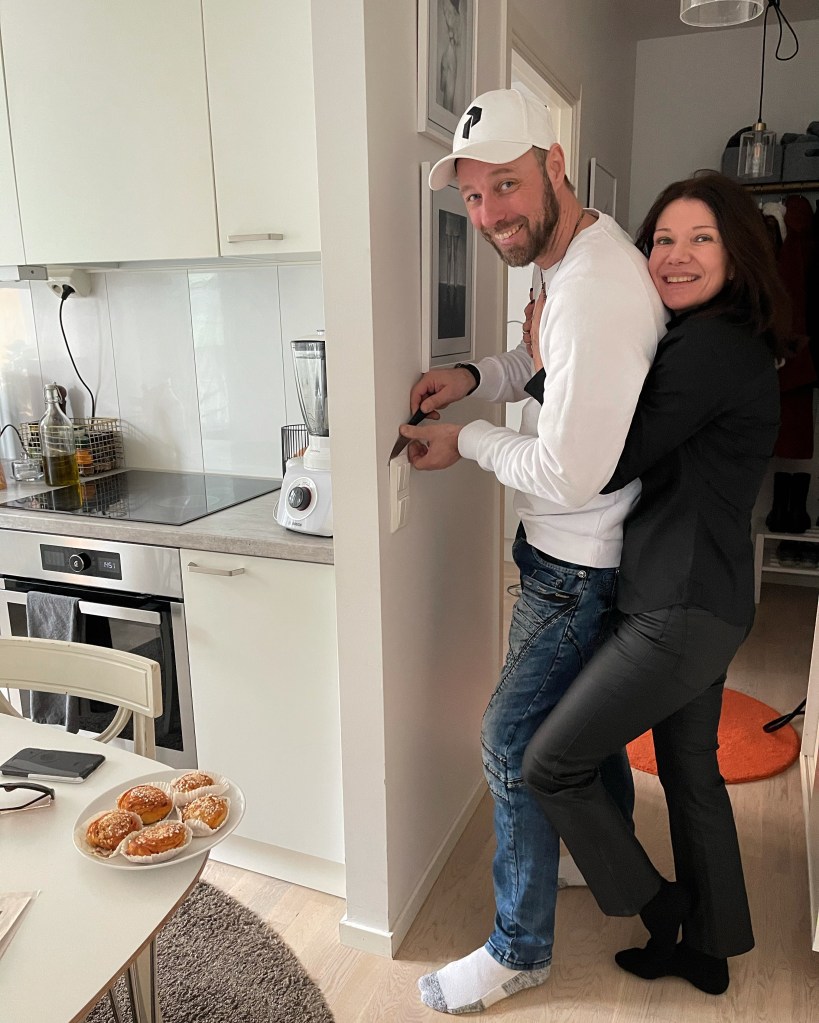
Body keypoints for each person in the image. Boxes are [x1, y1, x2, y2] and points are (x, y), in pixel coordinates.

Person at [401, 88, 667, 1015]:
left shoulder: (594, 288)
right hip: (576, 554)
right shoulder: (568, 261)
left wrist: (467, 438)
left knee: (509, 740)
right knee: (577, 731)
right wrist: (475, 375)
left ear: (554, 165)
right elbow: (540, 362)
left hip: (578, 559)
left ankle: (517, 949)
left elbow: (567, 472)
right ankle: (595, 855)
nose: (488, 215)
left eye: (505, 187)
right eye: (474, 196)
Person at [520, 173, 785, 997]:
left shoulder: (709, 349)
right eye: (662, 239)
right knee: (689, 772)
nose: (674, 255)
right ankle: (710, 947)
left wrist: (544, 369)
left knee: (548, 763)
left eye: (700, 239)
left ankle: (658, 903)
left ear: (736, 253)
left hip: (676, 609)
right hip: (710, 597)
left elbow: (607, 458)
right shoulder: (720, 339)